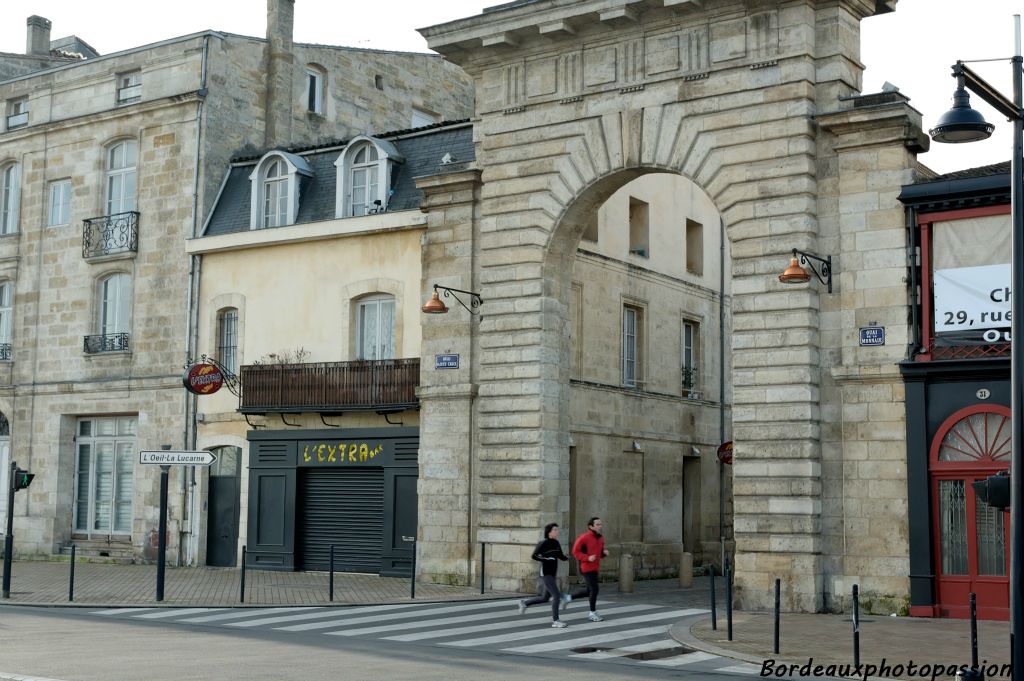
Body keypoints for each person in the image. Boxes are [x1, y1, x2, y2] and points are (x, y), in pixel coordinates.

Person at [517, 522, 572, 628]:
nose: (557, 531)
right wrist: (546, 559)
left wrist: (566, 557)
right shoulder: (543, 543)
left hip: (552, 573)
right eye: (555, 530)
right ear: (549, 533)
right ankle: (556, 620)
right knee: (556, 595)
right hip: (546, 573)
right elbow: (534, 556)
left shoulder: (556, 543)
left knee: (545, 598)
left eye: (557, 529)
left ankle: (525, 603)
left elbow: (560, 556)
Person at [571, 516, 609, 622]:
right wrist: (587, 558)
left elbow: (599, 554)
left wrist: (604, 554)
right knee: (595, 589)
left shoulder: (601, 538)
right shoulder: (584, 538)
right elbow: (575, 552)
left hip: (595, 568)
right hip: (586, 567)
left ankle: (568, 598)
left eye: (600, 524)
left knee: (589, 591)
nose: (600, 526)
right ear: (590, 526)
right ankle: (592, 613)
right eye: (597, 524)